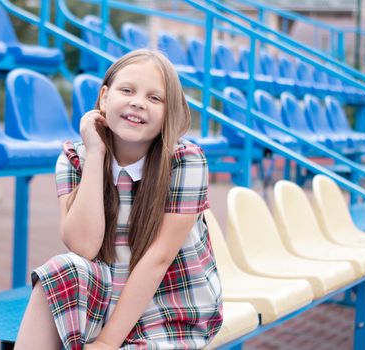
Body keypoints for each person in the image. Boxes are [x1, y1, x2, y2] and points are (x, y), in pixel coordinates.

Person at [15, 49, 223, 350]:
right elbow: (83, 246)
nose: (138, 102)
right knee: (60, 270)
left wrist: (106, 343)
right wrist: (97, 154)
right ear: (104, 97)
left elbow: (158, 259)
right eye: (127, 90)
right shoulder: (76, 157)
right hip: (107, 292)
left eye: (155, 98)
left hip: (171, 303)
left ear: (168, 113)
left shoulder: (184, 161)